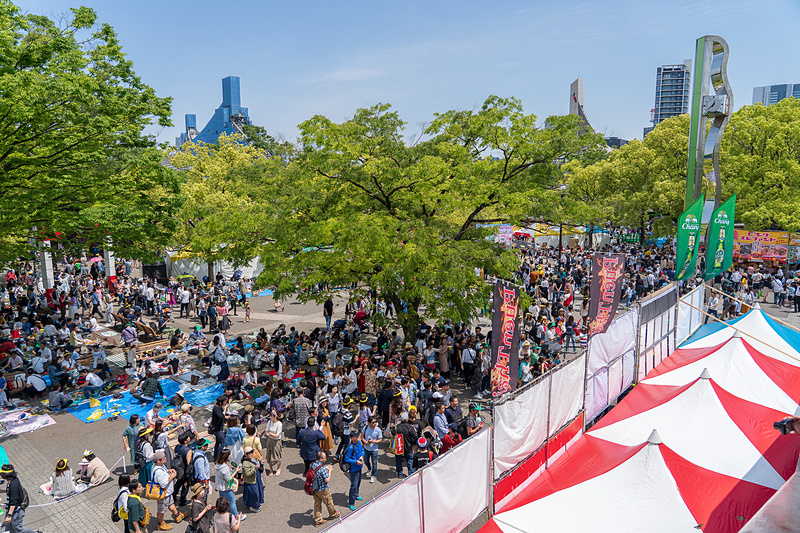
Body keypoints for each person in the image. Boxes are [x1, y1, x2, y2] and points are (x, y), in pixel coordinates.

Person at [151, 450, 185, 530]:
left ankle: (177, 515)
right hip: (163, 494)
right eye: (163, 458)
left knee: (171, 503)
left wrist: (169, 471)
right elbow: (163, 484)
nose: (165, 459)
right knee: (161, 510)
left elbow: (165, 471)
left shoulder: (161, 466)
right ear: (158, 461)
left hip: (168, 492)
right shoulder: (158, 471)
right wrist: (172, 476)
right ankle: (160, 524)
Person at [0, 464, 40, 533]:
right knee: (9, 530)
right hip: (11, 510)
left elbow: (13, 502)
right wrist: (3, 491)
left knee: (19, 530)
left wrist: (9, 516)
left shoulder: (13, 486)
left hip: (16, 512)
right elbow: (13, 494)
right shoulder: (14, 480)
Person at [310, 451, 340, 527]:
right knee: (328, 501)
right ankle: (333, 514)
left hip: (315, 488)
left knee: (317, 504)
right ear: (320, 459)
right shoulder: (322, 469)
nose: (326, 458)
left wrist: (325, 468)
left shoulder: (312, 464)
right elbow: (327, 480)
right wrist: (330, 471)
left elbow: (317, 472)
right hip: (323, 489)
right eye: (324, 457)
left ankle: (318, 520)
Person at [214, 448, 244, 521]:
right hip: (226, 487)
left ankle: (222, 514)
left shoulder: (219, 464)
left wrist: (230, 468)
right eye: (229, 455)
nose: (230, 456)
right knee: (232, 501)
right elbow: (229, 479)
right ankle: (236, 515)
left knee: (223, 501)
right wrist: (236, 471)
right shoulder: (224, 468)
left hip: (221, 487)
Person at [391, 411, 418, 478]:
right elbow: (416, 437)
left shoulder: (397, 427)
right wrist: (413, 443)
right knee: (410, 460)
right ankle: (411, 474)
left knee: (398, 460)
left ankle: (400, 474)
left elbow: (391, 434)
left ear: (401, 419)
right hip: (408, 447)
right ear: (408, 419)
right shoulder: (410, 427)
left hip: (399, 446)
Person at [343, 430, 364, 510]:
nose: (358, 437)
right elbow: (346, 459)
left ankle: (356, 495)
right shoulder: (350, 447)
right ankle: (351, 503)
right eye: (357, 436)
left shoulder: (359, 443)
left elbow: (362, 450)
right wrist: (355, 462)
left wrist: (362, 456)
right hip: (353, 469)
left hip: (359, 467)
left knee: (358, 483)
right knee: (353, 486)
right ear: (352, 438)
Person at [241, 446, 264, 513]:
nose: (251, 454)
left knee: (257, 491)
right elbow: (247, 474)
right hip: (250, 481)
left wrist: (260, 462)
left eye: (251, 452)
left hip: (255, 478)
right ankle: (253, 507)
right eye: (249, 453)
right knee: (254, 494)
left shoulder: (252, 458)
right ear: (245, 454)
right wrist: (254, 469)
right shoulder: (245, 463)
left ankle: (253, 504)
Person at [263, 409, 283, 476]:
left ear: (275, 416)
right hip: (269, 440)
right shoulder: (269, 422)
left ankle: (278, 468)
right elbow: (266, 432)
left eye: (271, 416)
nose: (270, 417)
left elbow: (277, 435)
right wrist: (271, 434)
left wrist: (270, 434)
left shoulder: (279, 424)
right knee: (269, 454)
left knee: (277, 455)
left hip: (276, 441)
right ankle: (271, 469)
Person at [362, 416, 382, 483]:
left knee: (374, 463)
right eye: (373, 422)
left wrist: (373, 442)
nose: (375, 423)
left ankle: (373, 475)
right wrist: (364, 441)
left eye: (376, 422)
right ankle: (369, 468)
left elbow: (380, 440)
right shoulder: (365, 428)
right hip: (366, 448)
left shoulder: (378, 430)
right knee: (366, 461)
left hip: (374, 450)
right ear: (369, 423)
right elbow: (362, 436)